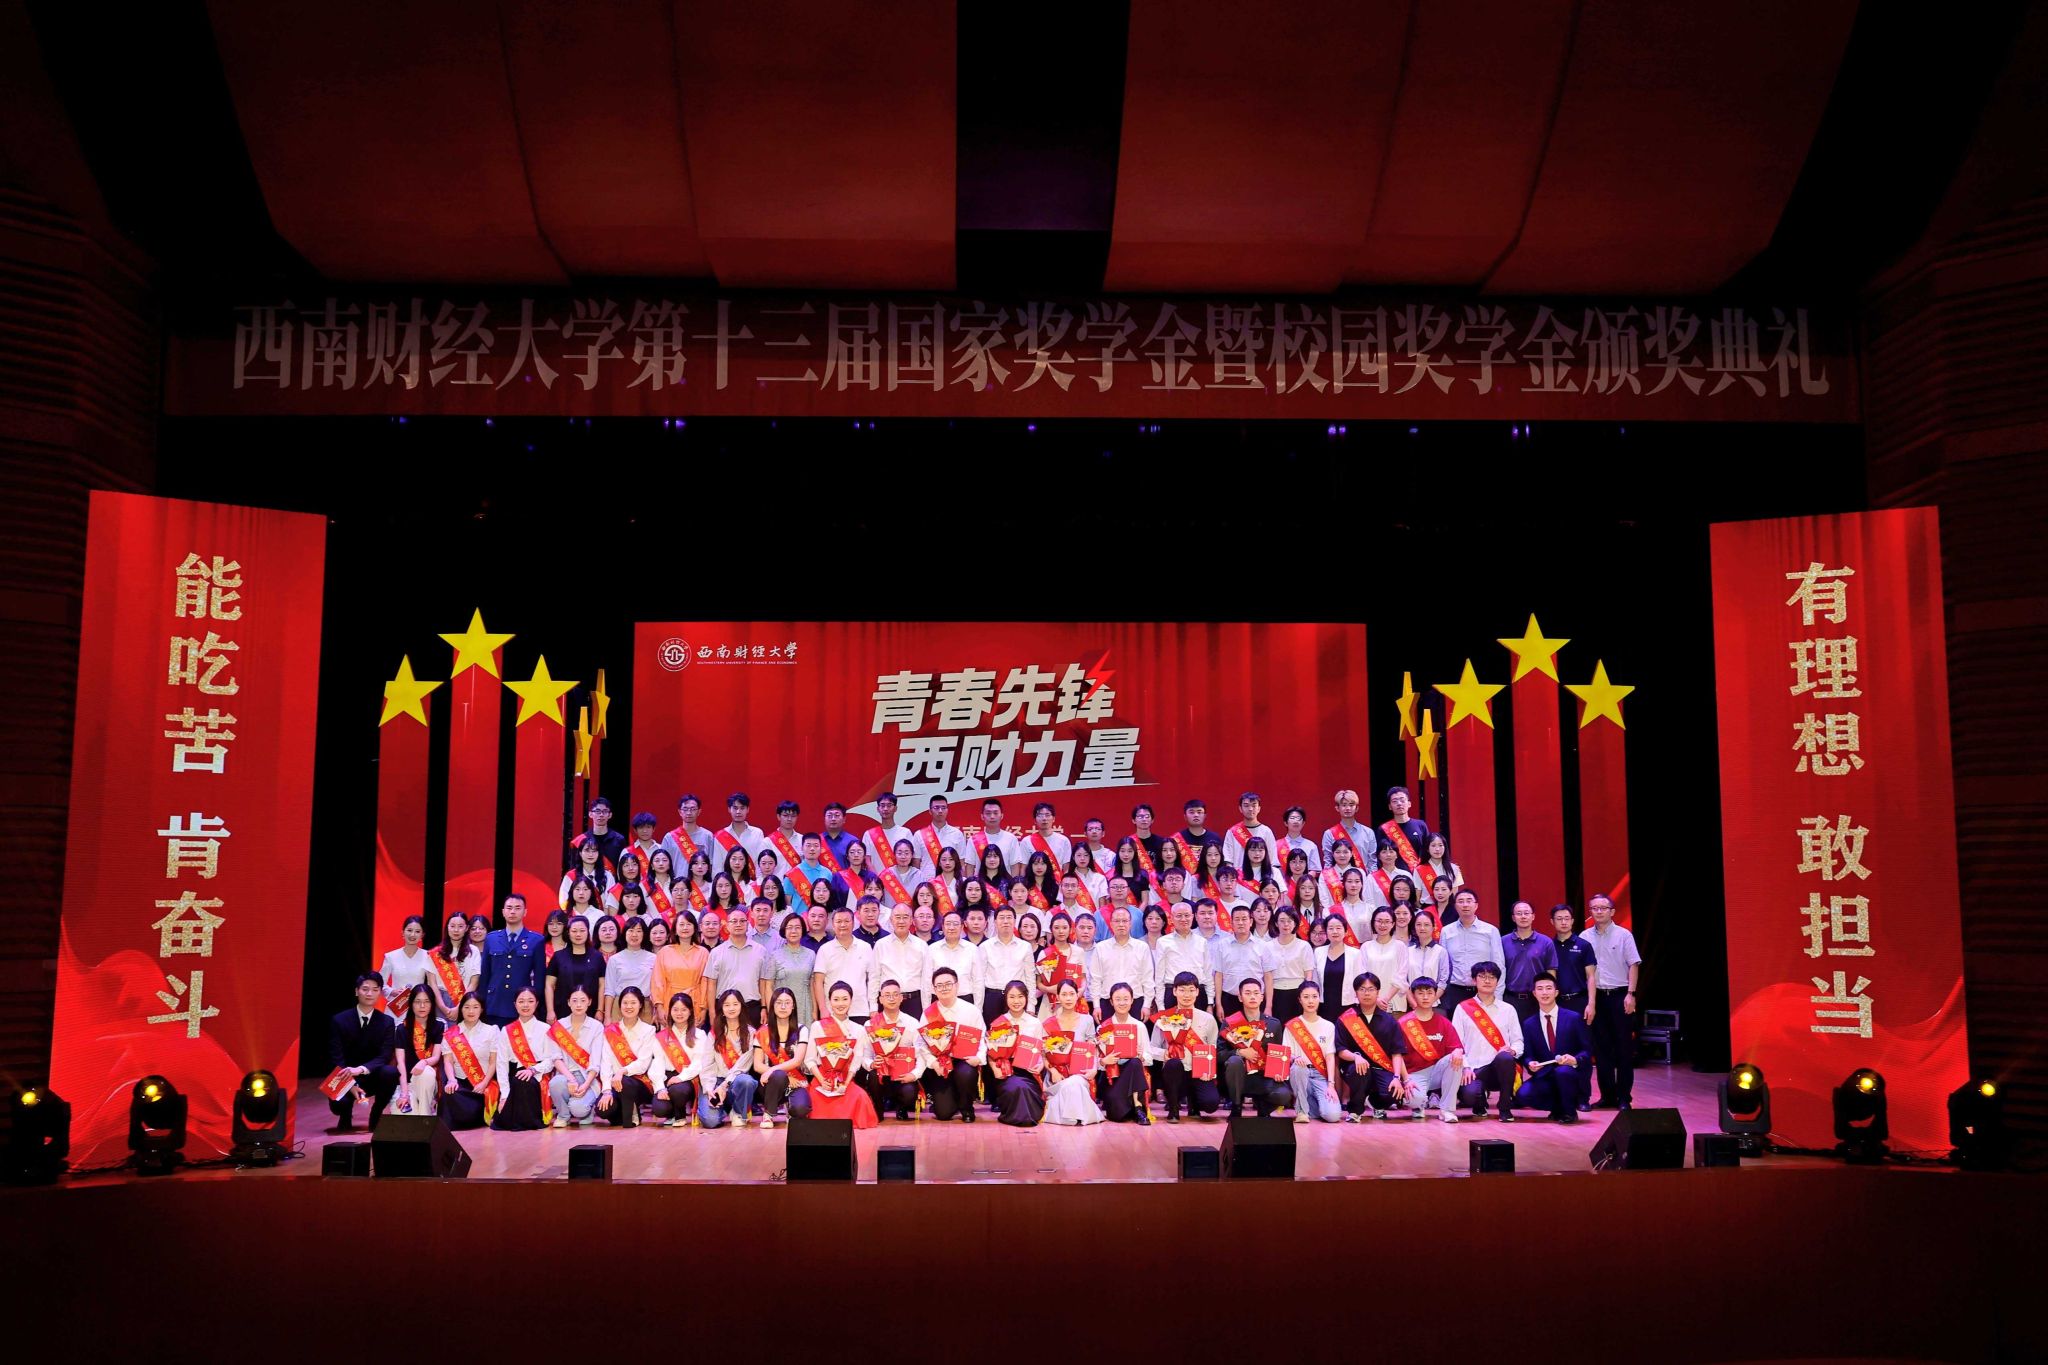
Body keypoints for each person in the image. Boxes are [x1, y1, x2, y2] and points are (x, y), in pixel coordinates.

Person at [1586, 893, 1642, 1109]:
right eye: (1595, 908)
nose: (1599, 911)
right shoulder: (1584, 936)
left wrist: (1631, 993)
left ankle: (1624, 1097)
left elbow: (1633, 964)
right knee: (1601, 1050)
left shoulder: (1624, 935)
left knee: (1623, 1048)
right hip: (1597, 998)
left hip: (1620, 996)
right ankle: (1607, 1096)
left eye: (1603, 908)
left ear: (1612, 911)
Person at [1452, 962, 1525, 1121]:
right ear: (1474, 980)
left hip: (1500, 1069)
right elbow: (1456, 1043)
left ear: (1497, 981)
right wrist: (1465, 1067)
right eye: (1482, 976)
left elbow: (1518, 1041)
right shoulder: (1462, 1008)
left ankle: (1504, 1106)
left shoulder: (1508, 1009)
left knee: (1505, 1057)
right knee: (1469, 1096)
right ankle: (1480, 1102)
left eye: (1492, 977)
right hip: (1473, 1069)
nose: (1487, 981)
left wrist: (1513, 1050)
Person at [327, 972, 399, 1133]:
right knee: (339, 1105)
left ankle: (376, 1113)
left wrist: (360, 1069)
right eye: (365, 989)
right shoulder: (339, 1020)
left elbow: (384, 1056)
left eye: (375, 990)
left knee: (390, 1073)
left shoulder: (387, 1022)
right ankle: (345, 1115)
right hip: (345, 1076)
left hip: (371, 1075)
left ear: (380, 993)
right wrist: (350, 1084)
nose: (369, 993)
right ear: (356, 991)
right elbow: (336, 1058)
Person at [1518, 972, 1594, 1122]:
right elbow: (1527, 1055)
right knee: (1523, 1095)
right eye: (1540, 989)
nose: (1544, 993)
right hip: (1546, 1075)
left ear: (1556, 992)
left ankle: (1570, 1112)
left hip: (1570, 1074)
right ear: (1534, 993)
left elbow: (1587, 1050)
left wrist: (1575, 1060)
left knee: (1563, 1072)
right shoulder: (1529, 1024)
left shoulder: (1573, 1018)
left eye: (1548, 988)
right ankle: (1558, 1107)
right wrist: (1530, 1063)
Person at [802, 983, 880, 1128]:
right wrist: (822, 1081)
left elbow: (856, 1062)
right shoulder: (818, 1026)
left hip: (845, 1080)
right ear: (829, 1001)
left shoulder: (858, 1029)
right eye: (836, 999)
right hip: (822, 1080)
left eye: (845, 999)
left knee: (861, 1097)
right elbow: (809, 1059)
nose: (840, 1003)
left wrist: (845, 1084)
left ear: (851, 1001)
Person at [1150, 972, 1222, 1122]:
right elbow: (1151, 1048)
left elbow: (1214, 1048)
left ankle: (1194, 1104)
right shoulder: (1164, 1018)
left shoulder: (1208, 1019)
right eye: (1182, 990)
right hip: (1174, 1074)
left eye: (1191, 990)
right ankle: (1174, 1108)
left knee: (1211, 1103)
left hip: (1199, 1073)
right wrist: (1164, 1054)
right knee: (1173, 1064)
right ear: (1174, 991)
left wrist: (1209, 1070)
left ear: (1197, 992)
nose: (1187, 995)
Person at [1335, 973, 1407, 1121]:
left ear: (1378, 992)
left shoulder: (1389, 1021)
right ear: (1356, 993)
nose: (1366, 993)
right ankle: (1355, 1111)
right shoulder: (1346, 1019)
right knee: (1359, 1071)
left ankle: (1376, 1103)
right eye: (1362, 989)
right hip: (1354, 1068)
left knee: (1393, 1092)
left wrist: (1397, 1077)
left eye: (1371, 989)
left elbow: (1397, 1052)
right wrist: (1355, 1057)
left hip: (1382, 1068)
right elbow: (1341, 1050)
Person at [918, 968, 985, 1122]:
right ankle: (950, 1101)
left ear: (957, 985)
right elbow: (921, 1043)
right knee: (943, 1114)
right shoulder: (928, 1014)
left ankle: (967, 1107)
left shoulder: (971, 1010)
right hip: (941, 1063)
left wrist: (979, 1058)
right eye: (939, 985)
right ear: (934, 989)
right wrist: (933, 1062)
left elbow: (982, 1038)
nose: (944, 988)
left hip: (964, 1061)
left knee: (965, 1074)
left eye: (948, 984)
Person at [1395, 977, 1463, 1122]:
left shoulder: (1444, 1022)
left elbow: (1456, 1047)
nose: (1425, 997)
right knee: (1415, 1099)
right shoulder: (1403, 1023)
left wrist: (1458, 1051)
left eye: (1429, 993)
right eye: (1420, 993)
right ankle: (1418, 1106)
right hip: (1414, 1074)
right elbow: (1397, 1055)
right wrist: (1406, 1080)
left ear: (1435, 995)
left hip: (1437, 1071)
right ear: (1413, 995)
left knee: (1456, 1059)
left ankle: (1447, 1110)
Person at [1218, 978, 1288, 1118]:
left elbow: (1279, 1054)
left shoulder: (1273, 1024)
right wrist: (1240, 1052)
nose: (1252, 997)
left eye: (1256, 993)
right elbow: (1219, 1054)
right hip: (1239, 1077)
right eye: (1248, 993)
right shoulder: (1230, 1023)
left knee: (1283, 1096)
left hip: (1264, 1077)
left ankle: (1263, 1107)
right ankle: (1236, 1106)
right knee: (1234, 1061)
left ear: (1262, 997)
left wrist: (1279, 1071)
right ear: (1240, 997)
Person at [478, 894, 547, 1026]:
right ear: (503, 912)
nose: (513, 911)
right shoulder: (491, 938)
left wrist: (536, 1006)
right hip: (495, 1003)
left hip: (522, 1005)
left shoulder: (536, 940)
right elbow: (485, 975)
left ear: (525, 912)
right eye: (509, 908)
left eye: (517, 908)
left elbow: (539, 979)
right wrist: (482, 1004)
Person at [1042, 980, 1104, 1125]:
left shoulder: (1087, 1020)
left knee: (1075, 1082)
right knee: (1072, 1085)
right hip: (1057, 1076)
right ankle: (1076, 1116)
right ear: (1058, 997)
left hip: (1080, 1073)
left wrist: (1094, 1068)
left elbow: (1092, 1048)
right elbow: (1043, 1053)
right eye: (1064, 994)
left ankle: (1067, 1117)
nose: (1068, 998)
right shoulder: (1048, 1023)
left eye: (1071, 994)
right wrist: (1053, 1072)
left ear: (1078, 995)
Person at [863, 979, 925, 1121]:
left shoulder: (912, 1023)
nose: (892, 998)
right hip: (882, 1076)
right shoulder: (870, 1024)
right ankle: (878, 1111)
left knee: (909, 1092)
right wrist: (871, 1064)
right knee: (873, 1075)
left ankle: (901, 1107)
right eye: (887, 995)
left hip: (903, 1076)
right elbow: (864, 1055)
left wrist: (914, 1074)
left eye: (895, 994)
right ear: (880, 999)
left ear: (901, 998)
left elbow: (921, 1054)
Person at [986, 982, 1047, 1126]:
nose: (1016, 1001)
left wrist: (1040, 1065)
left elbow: (1042, 1051)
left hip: (1030, 1071)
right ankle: (1020, 1117)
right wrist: (994, 1069)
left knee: (1025, 1086)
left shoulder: (1035, 1023)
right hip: (1007, 1071)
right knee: (1017, 1086)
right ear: (1006, 999)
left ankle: (1029, 1115)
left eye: (1020, 996)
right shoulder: (998, 1023)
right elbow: (991, 1052)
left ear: (1026, 998)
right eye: (1012, 997)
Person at [595, 985, 657, 1127]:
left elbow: (643, 1063)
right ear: (620, 1005)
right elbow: (605, 1062)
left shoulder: (649, 1030)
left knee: (626, 1082)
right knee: (603, 1110)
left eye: (633, 1003)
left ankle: (631, 1115)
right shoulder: (610, 1031)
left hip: (640, 1083)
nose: (629, 1006)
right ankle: (625, 1112)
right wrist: (606, 1091)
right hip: (615, 1083)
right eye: (625, 1003)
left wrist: (622, 1071)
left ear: (640, 1005)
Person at [545, 985, 606, 1126]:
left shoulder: (597, 1027)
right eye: (574, 1000)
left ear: (589, 1002)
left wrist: (585, 1085)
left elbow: (595, 1061)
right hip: (565, 1076)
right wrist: (571, 1079)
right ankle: (563, 1115)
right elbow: (556, 1058)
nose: (578, 1005)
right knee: (555, 1083)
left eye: (583, 1000)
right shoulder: (558, 1026)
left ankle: (587, 1110)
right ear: (568, 1002)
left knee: (579, 1109)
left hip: (588, 1077)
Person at [699, 989, 760, 1128]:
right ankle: (723, 1109)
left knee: (747, 1081)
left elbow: (743, 1066)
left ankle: (738, 1111)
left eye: (735, 1004)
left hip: (735, 1082)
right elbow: (707, 1064)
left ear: (742, 1006)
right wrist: (709, 1089)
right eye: (727, 1005)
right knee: (710, 1121)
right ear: (721, 1009)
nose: (731, 1008)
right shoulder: (714, 1033)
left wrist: (724, 1085)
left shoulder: (750, 1033)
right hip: (715, 1081)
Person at [494, 987, 553, 1131]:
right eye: (521, 1001)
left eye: (530, 1001)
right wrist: (504, 1095)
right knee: (518, 1080)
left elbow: (551, 1060)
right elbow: (501, 1064)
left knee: (522, 1081)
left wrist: (533, 1070)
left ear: (537, 1003)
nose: (525, 1005)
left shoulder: (545, 1028)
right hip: (514, 1073)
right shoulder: (506, 1030)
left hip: (538, 1074)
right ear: (515, 1005)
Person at [649, 991, 710, 1127]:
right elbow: (657, 1063)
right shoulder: (661, 1036)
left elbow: (699, 1062)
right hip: (667, 1076)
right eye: (675, 1009)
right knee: (660, 1109)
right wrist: (660, 1088)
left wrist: (681, 1077)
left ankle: (680, 1116)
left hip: (689, 1077)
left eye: (684, 1009)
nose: (679, 1013)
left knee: (678, 1090)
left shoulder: (700, 1035)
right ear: (670, 1011)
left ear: (690, 1011)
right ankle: (670, 1114)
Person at [439, 990, 499, 1129]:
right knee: (450, 1094)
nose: (471, 1011)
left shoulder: (491, 1031)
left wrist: (484, 1083)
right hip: (460, 1082)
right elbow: (448, 1061)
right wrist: (451, 1080)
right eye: (466, 1007)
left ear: (481, 1009)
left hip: (482, 1083)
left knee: (478, 1101)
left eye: (475, 1007)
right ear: (461, 1009)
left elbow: (493, 1062)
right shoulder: (450, 1034)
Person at [1439, 886, 1505, 1012]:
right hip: (1455, 992)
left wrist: (1498, 995)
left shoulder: (1490, 931)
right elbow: (1443, 965)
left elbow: (1499, 964)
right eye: (1461, 901)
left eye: (1469, 901)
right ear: (1455, 906)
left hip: (1483, 991)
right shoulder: (1446, 931)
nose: (1465, 905)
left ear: (1476, 905)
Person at [1284, 982, 1342, 1123]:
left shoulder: (1328, 1026)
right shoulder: (1292, 1026)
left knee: (1332, 1116)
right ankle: (1302, 1112)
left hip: (1320, 1075)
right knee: (1298, 1068)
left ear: (1319, 998)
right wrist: (1295, 1058)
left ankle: (1310, 1106)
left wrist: (1331, 1085)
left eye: (1314, 996)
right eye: (1306, 997)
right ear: (1300, 1000)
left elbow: (1330, 1057)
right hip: (1299, 1073)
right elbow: (1286, 1053)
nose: (1310, 1001)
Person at [1096, 982, 1153, 1124]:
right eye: (1118, 999)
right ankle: (1131, 1108)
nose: (1122, 1003)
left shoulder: (1139, 1026)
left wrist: (1141, 1056)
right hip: (1112, 1077)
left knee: (1135, 1062)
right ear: (1111, 1002)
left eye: (1126, 999)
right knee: (1117, 1115)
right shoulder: (1103, 1028)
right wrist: (1104, 1061)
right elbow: (1094, 1063)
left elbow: (1149, 1058)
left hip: (1134, 1074)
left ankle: (1139, 1108)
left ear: (1132, 1000)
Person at [754, 987, 812, 1127]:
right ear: (772, 1006)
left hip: (796, 1082)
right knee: (778, 1075)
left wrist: (773, 1070)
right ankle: (769, 1114)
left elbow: (797, 1060)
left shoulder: (801, 1030)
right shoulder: (762, 1031)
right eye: (779, 1003)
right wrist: (780, 1075)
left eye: (787, 1002)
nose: (783, 1007)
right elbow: (757, 1065)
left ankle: (789, 1108)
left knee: (801, 1110)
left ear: (793, 1006)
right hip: (770, 1085)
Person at [704, 903, 768, 1025]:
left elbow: (763, 983)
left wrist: (764, 1007)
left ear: (748, 925)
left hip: (752, 1007)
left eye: (742, 921)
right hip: (724, 1008)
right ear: (727, 926)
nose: (738, 924)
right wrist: (712, 1012)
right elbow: (711, 984)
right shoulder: (716, 952)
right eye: (734, 921)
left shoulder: (761, 951)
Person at [1089, 905, 1153, 1019]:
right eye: (1117, 921)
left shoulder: (1142, 947)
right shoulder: (1101, 948)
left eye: (1125, 921)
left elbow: (1147, 979)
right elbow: (1095, 979)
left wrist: (1147, 1005)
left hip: (1135, 1002)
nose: (1121, 924)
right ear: (1111, 924)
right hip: (1107, 1002)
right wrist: (1096, 1006)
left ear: (1130, 923)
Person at [813, 906, 877, 1021]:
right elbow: (818, 982)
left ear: (853, 923)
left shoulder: (865, 947)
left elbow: (872, 979)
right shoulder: (824, 949)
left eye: (847, 921)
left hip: (860, 1010)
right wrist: (822, 1009)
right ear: (833, 925)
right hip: (832, 1011)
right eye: (839, 921)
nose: (843, 925)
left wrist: (873, 1007)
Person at [1210, 905, 1272, 1021]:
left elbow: (1268, 977)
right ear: (1231, 923)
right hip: (1229, 999)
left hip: (1255, 1000)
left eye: (1244, 919)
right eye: (1237, 919)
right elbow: (1218, 975)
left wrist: (1268, 1006)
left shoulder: (1263, 946)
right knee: (1230, 1031)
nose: (1241, 923)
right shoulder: (1222, 945)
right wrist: (1218, 1004)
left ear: (1251, 922)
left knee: (1256, 1031)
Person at [651, 910, 711, 1027]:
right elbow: (657, 981)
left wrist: (704, 1009)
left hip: (694, 1003)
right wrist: (659, 1007)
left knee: (692, 1037)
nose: (685, 928)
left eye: (689, 924)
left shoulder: (703, 952)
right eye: (681, 924)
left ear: (695, 928)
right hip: (669, 1003)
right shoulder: (664, 952)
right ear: (675, 928)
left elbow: (705, 983)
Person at [1501, 900, 1559, 1018]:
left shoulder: (1546, 942)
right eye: (1519, 913)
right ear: (1513, 918)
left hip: (1538, 1000)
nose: (1523, 916)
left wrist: (1549, 997)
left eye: (1526, 913)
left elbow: (1551, 972)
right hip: (1510, 998)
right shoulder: (1503, 941)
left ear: (1533, 916)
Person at [874, 902, 931, 1017]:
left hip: (914, 1002)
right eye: (897, 917)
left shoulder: (921, 945)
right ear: (891, 920)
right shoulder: (881, 945)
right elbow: (874, 978)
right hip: (888, 1002)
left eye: (905, 917)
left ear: (911, 920)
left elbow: (926, 979)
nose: (901, 921)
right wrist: (873, 1007)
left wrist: (926, 1008)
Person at [764, 911, 818, 1029]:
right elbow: (768, 986)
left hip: (805, 1006)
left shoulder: (811, 954)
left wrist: (814, 1009)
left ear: (803, 930)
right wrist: (771, 1010)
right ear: (784, 931)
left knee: (804, 1037)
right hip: (781, 1007)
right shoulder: (774, 956)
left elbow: (812, 984)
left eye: (797, 927)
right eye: (789, 928)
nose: (793, 931)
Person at [1154, 901, 1209, 1013]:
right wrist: (1160, 1005)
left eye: (1187, 915)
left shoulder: (1202, 942)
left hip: (1197, 993)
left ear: (1193, 917)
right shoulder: (1163, 942)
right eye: (1179, 916)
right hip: (1172, 993)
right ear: (1172, 918)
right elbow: (1159, 976)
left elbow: (1208, 973)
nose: (1183, 919)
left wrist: (1210, 1002)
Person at [547, 915, 604, 1023]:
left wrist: (600, 1010)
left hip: (591, 1011)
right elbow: (549, 985)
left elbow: (602, 985)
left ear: (588, 932)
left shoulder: (597, 956)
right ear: (568, 933)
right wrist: (550, 1010)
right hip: (562, 1010)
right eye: (574, 931)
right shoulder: (558, 956)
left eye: (582, 930)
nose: (578, 934)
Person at [1551, 903, 1599, 1026]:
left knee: (1582, 1036)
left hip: (1580, 1001)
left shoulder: (1584, 945)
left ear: (1572, 921)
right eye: (1559, 919)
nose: (1563, 922)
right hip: (1556, 1002)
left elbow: (1591, 977)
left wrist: (1591, 1004)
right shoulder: (1549, 946)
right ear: (1552, 921)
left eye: (1567, 918)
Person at [603, 915, 656, 1021]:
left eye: (639, 931)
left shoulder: (654, 958)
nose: (634, 934)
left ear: (644, 934)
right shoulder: (614, 959)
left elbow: (656, 988)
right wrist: (607, 1016)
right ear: (624, 933)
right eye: (631, 930)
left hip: (644, 1007)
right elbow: (609, 990)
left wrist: (656, 1011)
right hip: (620, 1006)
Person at [1266, 908, 1315, 1021]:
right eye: (1282, 921)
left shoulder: (1304, 946)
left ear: (1295, 923)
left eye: (1289, 920)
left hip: (1298, 993)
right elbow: (1267, 977)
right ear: (1276, 923)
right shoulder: (1268, 946)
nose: (1286, 924)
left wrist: (1306, 997)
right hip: (1275, 993)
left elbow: (1308, 975)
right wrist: (1268, 1005)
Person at [378, 916, 434, 1014]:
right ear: (403, 933)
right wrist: (392, 991)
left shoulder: (428, 956)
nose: (412, 934)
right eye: (409, 930)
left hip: (418, 1008)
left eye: (417, 931)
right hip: (396, 1007)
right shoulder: (391, 956)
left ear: (422, 935)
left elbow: (432, 985)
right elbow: (379, 982)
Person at [430, 910, 480, 1018]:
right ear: (447, 927)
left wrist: (460, 1007)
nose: (456, 930)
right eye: (452, 926)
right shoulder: (436, 953)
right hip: (440, 1000)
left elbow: (474, 982)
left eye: (460, 926)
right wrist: (443, 1007)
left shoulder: (473, 951)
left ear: (466, 928)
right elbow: (432, 983)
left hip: (465, 1001)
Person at [1359, 907, 1410, 1012]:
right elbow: (1362, 975)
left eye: (1387, 922)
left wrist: (1386, 999)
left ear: (1393, 924)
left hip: (1394, 1002)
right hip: (1370, 1001)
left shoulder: (1400, 946)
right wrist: (1376, 999)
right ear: (1373, 923)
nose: (1383, 925)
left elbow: (1401, 975)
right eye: (1379, 921)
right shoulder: (1366, 946)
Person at [1378, 786, 1431, 881]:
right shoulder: (1384, 829)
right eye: (1395, 801)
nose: (1399, 804)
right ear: (1390, 806)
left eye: (1402, 800)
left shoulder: (1420, 825)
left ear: (1409, 803)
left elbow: (1428, 851)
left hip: (1419, 877)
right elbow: (1380, 855)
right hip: (1394, 878)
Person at [659, 792, 717, 875]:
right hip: (677, 882)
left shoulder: (707, 836)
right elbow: (662, 865)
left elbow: (711, 865)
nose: (689, 813)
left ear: (699, 811)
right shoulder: (670, 837)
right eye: (685, 809)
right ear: (680, 812)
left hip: (700, 883)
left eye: (693, 809)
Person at [1221, 791, 1278, 869]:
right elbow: (1228, 860)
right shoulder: (1232, 832)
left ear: (1259, 808)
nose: (1250, 809)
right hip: (1238, 875)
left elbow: (1273, 859)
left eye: (1254, 805)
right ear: (1240, 809)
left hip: (1262, 876)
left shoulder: (1266, 831)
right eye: (1246, 806)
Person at [1321, 789, 1373, 871]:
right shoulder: (1329, 834)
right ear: (1337, 808)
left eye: (1351, 805)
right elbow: (1328, 862)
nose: (1348, 808)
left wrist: (1370, 878)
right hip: (1337, 878)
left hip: (1363, 877)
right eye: (1344, 805)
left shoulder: (1368, 832)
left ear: (1357, 808)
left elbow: (1372, 861)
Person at [714, 791, 769, 868]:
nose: (738, 812)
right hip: (727, 876)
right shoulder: (720, 836)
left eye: (742, 808)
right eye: (735, 808)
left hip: (752, 876)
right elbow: (717, 867)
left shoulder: (757, 833)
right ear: (729, 809)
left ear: (748, 809)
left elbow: (761, 862)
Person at [1020, 801, 1072, 878]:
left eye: (1047, 815)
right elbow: (1023, 868)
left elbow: (1066, 869)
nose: (1044, 818)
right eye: (1040, 815)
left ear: (1053, 819)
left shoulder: (1063, 840)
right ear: (1035, 820)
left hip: (1057, 883)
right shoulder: (1027, 841)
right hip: (1033, 884)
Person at [1408, 910, 1447, 998]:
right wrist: (1413, 1002)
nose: (1422, 928)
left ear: (1433, 927)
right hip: (1411, 1002)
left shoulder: (1441, 951)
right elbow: (1404, 981)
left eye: (1426, 925)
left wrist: (1430, 1001)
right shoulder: (1408, 951)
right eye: (1418, 924)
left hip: (1434, 1002)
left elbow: (1443, 982)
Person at [1273, 805, 1322, 875]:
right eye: (1292, 818)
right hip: (1282, 881)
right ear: (1286, 823)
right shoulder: (1277, 845)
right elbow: (1274, 868)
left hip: (1304, 882)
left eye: (1298, 818)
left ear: (1303, 823)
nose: (1296, 821)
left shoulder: (1311, 846)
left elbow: (1314, 870)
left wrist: (1303, 881)